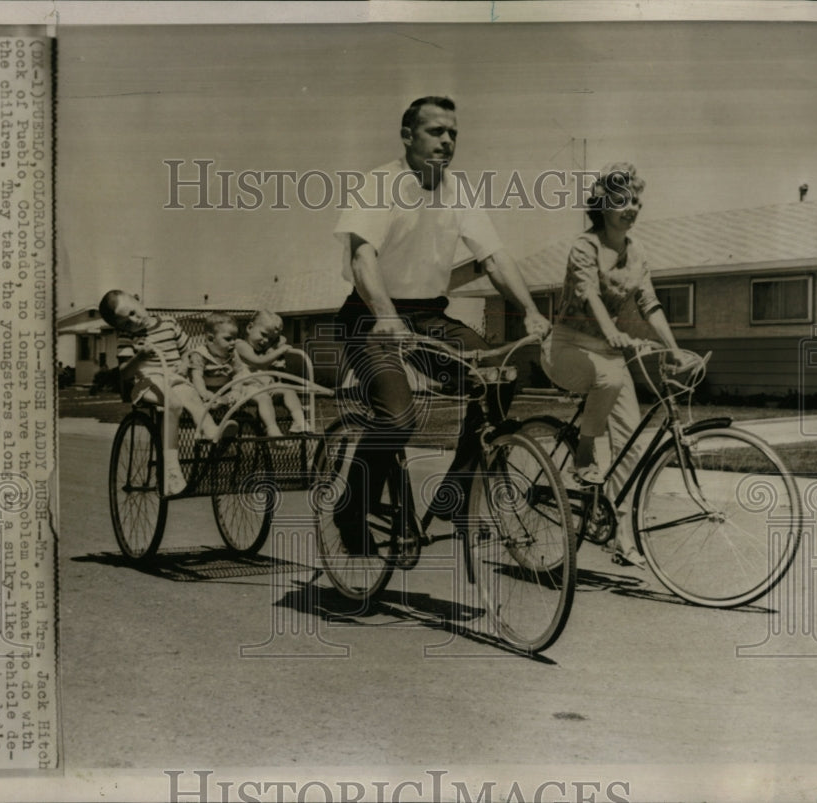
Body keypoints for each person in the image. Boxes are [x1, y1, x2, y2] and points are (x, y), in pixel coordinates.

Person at [332, 95, 551, 552]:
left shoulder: (459, 191)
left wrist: (530, 309)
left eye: (453, 133)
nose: (447, 141)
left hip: (430, 315)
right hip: (370, 317)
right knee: (399, 416)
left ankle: (455, 494)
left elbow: (493, 257)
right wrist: (387, 318)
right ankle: (351, 505)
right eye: (436, 131)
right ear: (408, 136)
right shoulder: (379, 184)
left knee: (496, 380)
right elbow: (361, 256)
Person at [540, 162, 695, 567]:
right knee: (607, 377)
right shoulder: (584, 246)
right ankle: (584, 455)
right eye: (623, 199)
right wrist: (611, 333)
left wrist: (674, 348)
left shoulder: (637, 251)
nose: (633, 207)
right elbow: (588, 293)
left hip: (609, 354)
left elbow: (649, 304)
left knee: (632, 447)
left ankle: (621, 538)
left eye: (637, 200)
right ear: (603, 204)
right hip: (567, 347)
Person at [98, 290, 235, 496]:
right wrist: (140, 357)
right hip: (147, 382)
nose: (134, 321)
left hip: (174, 377)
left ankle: (212, 433)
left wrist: (183, 362)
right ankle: (171, 471)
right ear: (120, 328)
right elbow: (125, 373)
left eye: (134, 313)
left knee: (190, 395)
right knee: (174, 404)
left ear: (138, 300)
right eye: (126, 323)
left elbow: (188, 351)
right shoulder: (127, 338)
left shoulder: (169, 323)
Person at [234, 309, 310, 437]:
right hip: (247, 388)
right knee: (264, 398)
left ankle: (300, 422)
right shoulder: (240, 345)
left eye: (270, 339)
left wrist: (275, 343)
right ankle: (272, 430)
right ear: (250, 327)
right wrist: (279, 351)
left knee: (288, 390)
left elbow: (282, 339)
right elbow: (259, 362)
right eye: (263, 334)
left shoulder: (265, 349)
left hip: (265, 387)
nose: (265, 341)